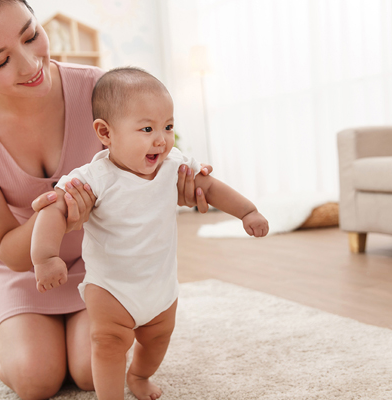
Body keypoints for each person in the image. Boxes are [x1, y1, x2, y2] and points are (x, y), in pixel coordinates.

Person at [0, 1, 211, 399]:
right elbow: (9, 249)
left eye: (31, 35)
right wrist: (61, 218)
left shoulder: (101, 91)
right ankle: (16, 339)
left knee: (92, 371)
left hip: (104, 263)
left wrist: (178, 181)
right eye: (0, 60)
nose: (29, 65)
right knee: (35, 380)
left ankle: (60, 334)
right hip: (26, 268)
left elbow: (152, 160)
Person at [31, 67, 269, 400]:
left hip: (160, 286)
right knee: (107, 344)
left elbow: (209, 187)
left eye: (168, 127)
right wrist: (45, 256)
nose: (161, 139)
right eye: (147, 128)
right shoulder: (95, 176)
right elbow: (53, 209)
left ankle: (139, 376)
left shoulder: (174, 165)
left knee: (158, 339)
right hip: (111, 288)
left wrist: (247, 211)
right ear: (105, 133)